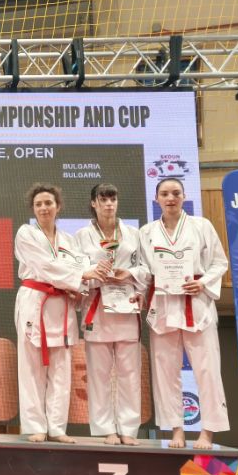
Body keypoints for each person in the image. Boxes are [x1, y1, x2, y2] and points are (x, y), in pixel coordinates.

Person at [15, 184, 109, 443]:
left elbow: (81, 269)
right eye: (38, 204)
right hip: (35, 301)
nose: (44, 208)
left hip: (62, 304)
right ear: (33, 209)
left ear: (58, 206)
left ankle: (56, 428)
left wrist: (81, 287)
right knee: (31, 367)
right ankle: (35, 426)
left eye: (48, 203)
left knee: (61, 368)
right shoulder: (26, 234)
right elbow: (45, 266)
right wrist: (81, 276)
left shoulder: (69, 240)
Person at [139, 178, 229, 449]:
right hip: (164, 304)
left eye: (176, 193)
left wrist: (203, 283)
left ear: (184, 196)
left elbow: (219, 263)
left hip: (196, 303)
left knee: (207, 370)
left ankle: (208, 432)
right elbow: (144, 270)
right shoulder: (147, 232)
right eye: (165, 194)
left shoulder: (202, 226)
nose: (170, 198)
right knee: (165, 372)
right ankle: (176, 430)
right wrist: (137, 291)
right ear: (156, 199)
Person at [75, 184, 147, 445]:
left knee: (130, 373)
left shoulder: (133, 234)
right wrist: (95, 273)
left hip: (126, 306)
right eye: (103, 199)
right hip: (97, 307)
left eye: (112, 199)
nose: (108, 204)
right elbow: (77, 270)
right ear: (93, 203)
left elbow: (145, 268)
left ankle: (128, 429)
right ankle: (107, 429)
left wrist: (131, 274)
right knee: (99, 375)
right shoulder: (81, 236)